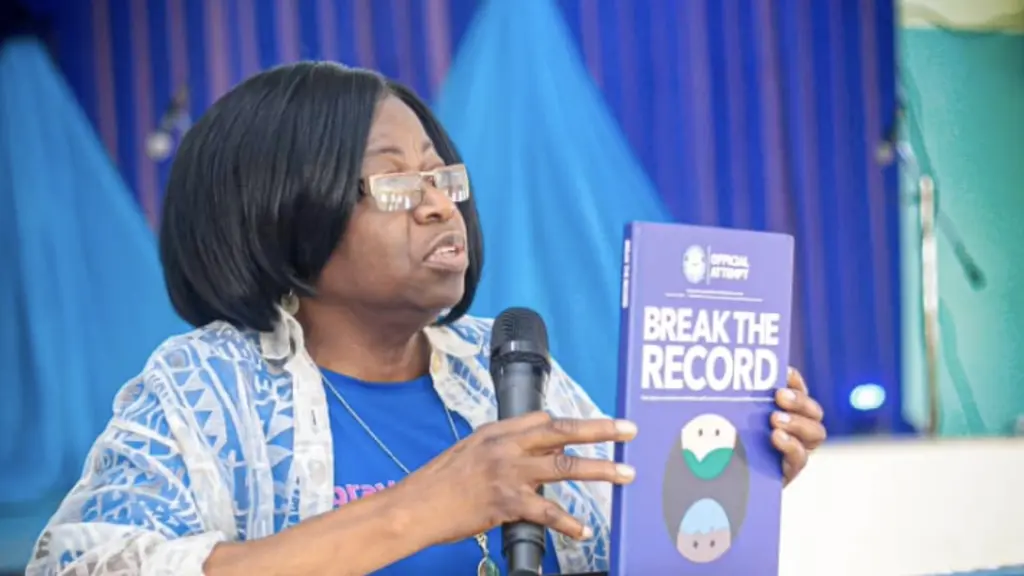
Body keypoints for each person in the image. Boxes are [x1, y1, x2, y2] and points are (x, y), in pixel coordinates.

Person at [27, 63, 826, 576]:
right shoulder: (206, 387)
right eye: (398, 184)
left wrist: (722, 483)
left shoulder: (504, 368)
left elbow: (637, 553)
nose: (441, 203)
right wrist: (419, 510)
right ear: (280, 212)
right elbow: (86, 565)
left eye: (443, 177)